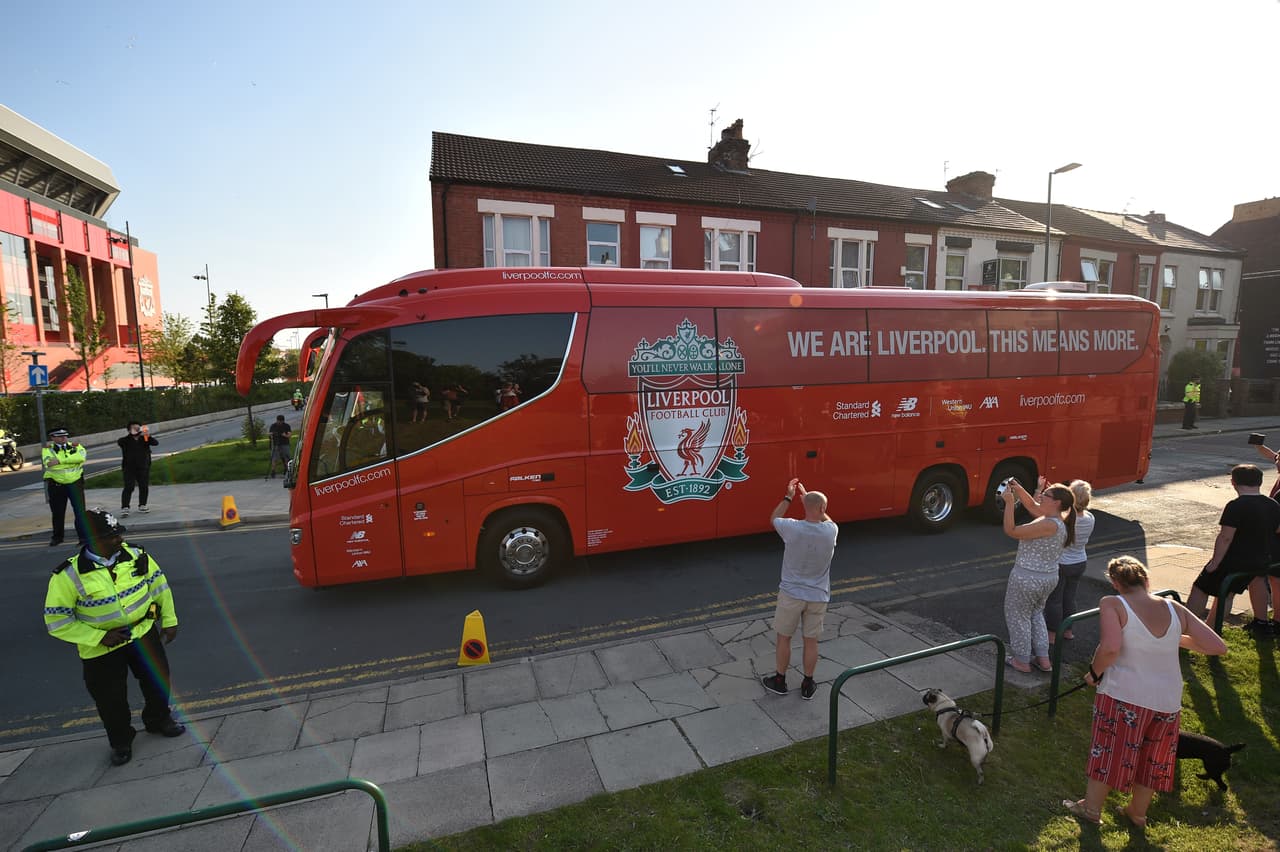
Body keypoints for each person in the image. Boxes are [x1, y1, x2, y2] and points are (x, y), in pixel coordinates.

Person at [1062, 556, 1227, 827]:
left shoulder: (1113, 604)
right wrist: (1172, 639)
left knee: (1109, 751)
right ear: (1146, 580)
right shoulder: (1175, 608)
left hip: (1123, 695)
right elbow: (1216, 646)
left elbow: (1111, 647)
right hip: (1167, 701)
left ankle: (1091, 810)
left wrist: (1094, 673)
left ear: (1115, 583)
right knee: (1153, 758)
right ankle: (1137, 813)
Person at [43, 508, 185, 766]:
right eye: (111, 536)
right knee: (111, 699)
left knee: (157, 680)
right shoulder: (67, 576)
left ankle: (159, 719)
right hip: (102, 648)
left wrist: (170, 620)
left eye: (119, 533)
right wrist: (98, 637)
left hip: (143, 633)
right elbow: (57, 621)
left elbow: (159, 587)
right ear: (91, 541)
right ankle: (121, 741)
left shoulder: (136, 555)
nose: (120, 539)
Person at [761, 478, 838, 700]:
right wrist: (812, 503)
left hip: (791, 594)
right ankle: (807, 684)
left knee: (784, 638)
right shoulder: (831, 531)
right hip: (818, 596)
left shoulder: (791, 527)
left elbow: (774, 518)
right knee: (810, 641)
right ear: (823, 508)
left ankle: (779, 680)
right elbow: (827, 519)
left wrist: (789, 496)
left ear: (804, 507)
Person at [1186, 464, 1280, 632]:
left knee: (1200, 588)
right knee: (1227, 594)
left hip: (1233, 560)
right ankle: (1210, 629)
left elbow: (1225, 537)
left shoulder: (1235, 505)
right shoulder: (1273, 504)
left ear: (1233, 482)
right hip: (1260, 560)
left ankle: (1184, 628)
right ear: (1260, 482)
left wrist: (1214, 563)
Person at [1001, 479, 1075, 673]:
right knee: (1035, 615)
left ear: (1057, 503)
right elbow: (1032, 505)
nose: (1042, 496)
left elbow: (1012, 530)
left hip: (1027, 578)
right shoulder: (1055, 519)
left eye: (1047, 495)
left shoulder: (1049, 524)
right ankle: (1043, 659)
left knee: (1018, 616)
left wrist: (1009, 503)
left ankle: (1021, 660)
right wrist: (1018, 487)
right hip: (1047, 578)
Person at [1045, 480, 1097, 645]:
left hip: (1061, 563)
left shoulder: (1064, 519)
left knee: (1055, 600)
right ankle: (1068, 630)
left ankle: (1052, 634)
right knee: (1070, 598)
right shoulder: (1090, 518)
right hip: (1079, 562)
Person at [42, 426, 88, 547]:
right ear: (52, 438)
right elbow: (50, 464)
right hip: (56, 484)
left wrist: (60, 461)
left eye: (65, 436)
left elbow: (81, 458)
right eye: (60, 436)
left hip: (75, 483)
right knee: (57, 512)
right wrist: (71, 460)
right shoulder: (47, 450)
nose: (64, 438)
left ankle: (83, 538)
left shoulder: (76, 446)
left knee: (80, 512)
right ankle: (57, 537)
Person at [117, 421, 159, 517]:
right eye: (134, 428)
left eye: (138, 428)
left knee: (144, 486)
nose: (136, 430)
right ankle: (125, 507)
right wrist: (133, 435)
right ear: (129, 430)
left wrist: (147, 435)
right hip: (129, 468)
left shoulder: (145, 439)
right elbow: (120, 443)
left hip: (143, 466)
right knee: (129, 487)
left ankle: (142, 505)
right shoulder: (124, 440)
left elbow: (155, 443)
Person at [267, 414, 292, 479]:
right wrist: (272, 434)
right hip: (275, 444)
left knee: (287, 457)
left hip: (284, 444)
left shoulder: (286, 426)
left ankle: (287, 470)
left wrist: (284, 435)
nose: (280, 423)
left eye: (281, 421)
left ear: (283, 421)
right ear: (277, 420)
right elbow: (269, 434)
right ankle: (273, 471)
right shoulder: (273, 426)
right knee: (274, 458)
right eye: (279, 421)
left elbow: (289, 435)